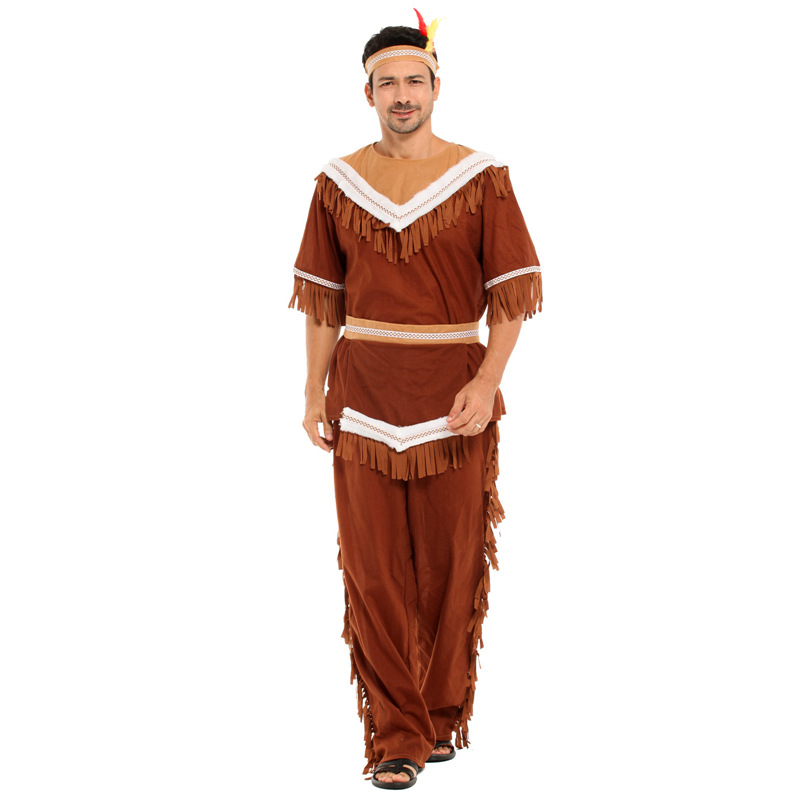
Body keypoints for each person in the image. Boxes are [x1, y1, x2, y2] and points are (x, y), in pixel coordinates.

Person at [288, 12, 543, 790]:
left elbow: (510, 296)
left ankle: (437, 716)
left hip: (454, 394)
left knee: (451, 562)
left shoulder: (482, 177)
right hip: (363, 394)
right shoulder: (338, 183)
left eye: (414, 81)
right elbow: (324, 301)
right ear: (367, 93)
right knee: (373, 570)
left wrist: (487, 380)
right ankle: (395, 734)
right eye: (387, 83)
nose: (402, 95)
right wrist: (312, 391)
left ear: (436, 87)